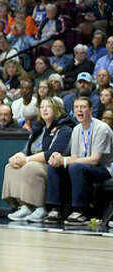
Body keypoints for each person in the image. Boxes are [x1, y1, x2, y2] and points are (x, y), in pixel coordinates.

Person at [45, 95, 113, 224]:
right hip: (84, 167)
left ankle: (80, 211)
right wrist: (59, 158)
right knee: (55, 166)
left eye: (83, 107)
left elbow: (95, 160)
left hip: (105, 169)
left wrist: (64, 161)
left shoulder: (101, 128)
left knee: (75, 167)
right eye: (76, 107)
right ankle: (55, 209)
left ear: (91, 110)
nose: (79, 110)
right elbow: (76, 157)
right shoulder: (76, 129)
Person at [3, 96, 72, 223]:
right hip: (33, 161)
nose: (44, 110)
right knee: (10, 166)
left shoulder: (64, 128)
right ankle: (23, 205)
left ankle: (40, 207)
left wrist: (27, 160)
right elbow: (26, 150)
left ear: (56, 109)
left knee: (31, 167)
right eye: (42, 107)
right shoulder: (39, 129)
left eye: (48, 107)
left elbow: (52, 154)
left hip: (53, 166)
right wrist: (16, 156)